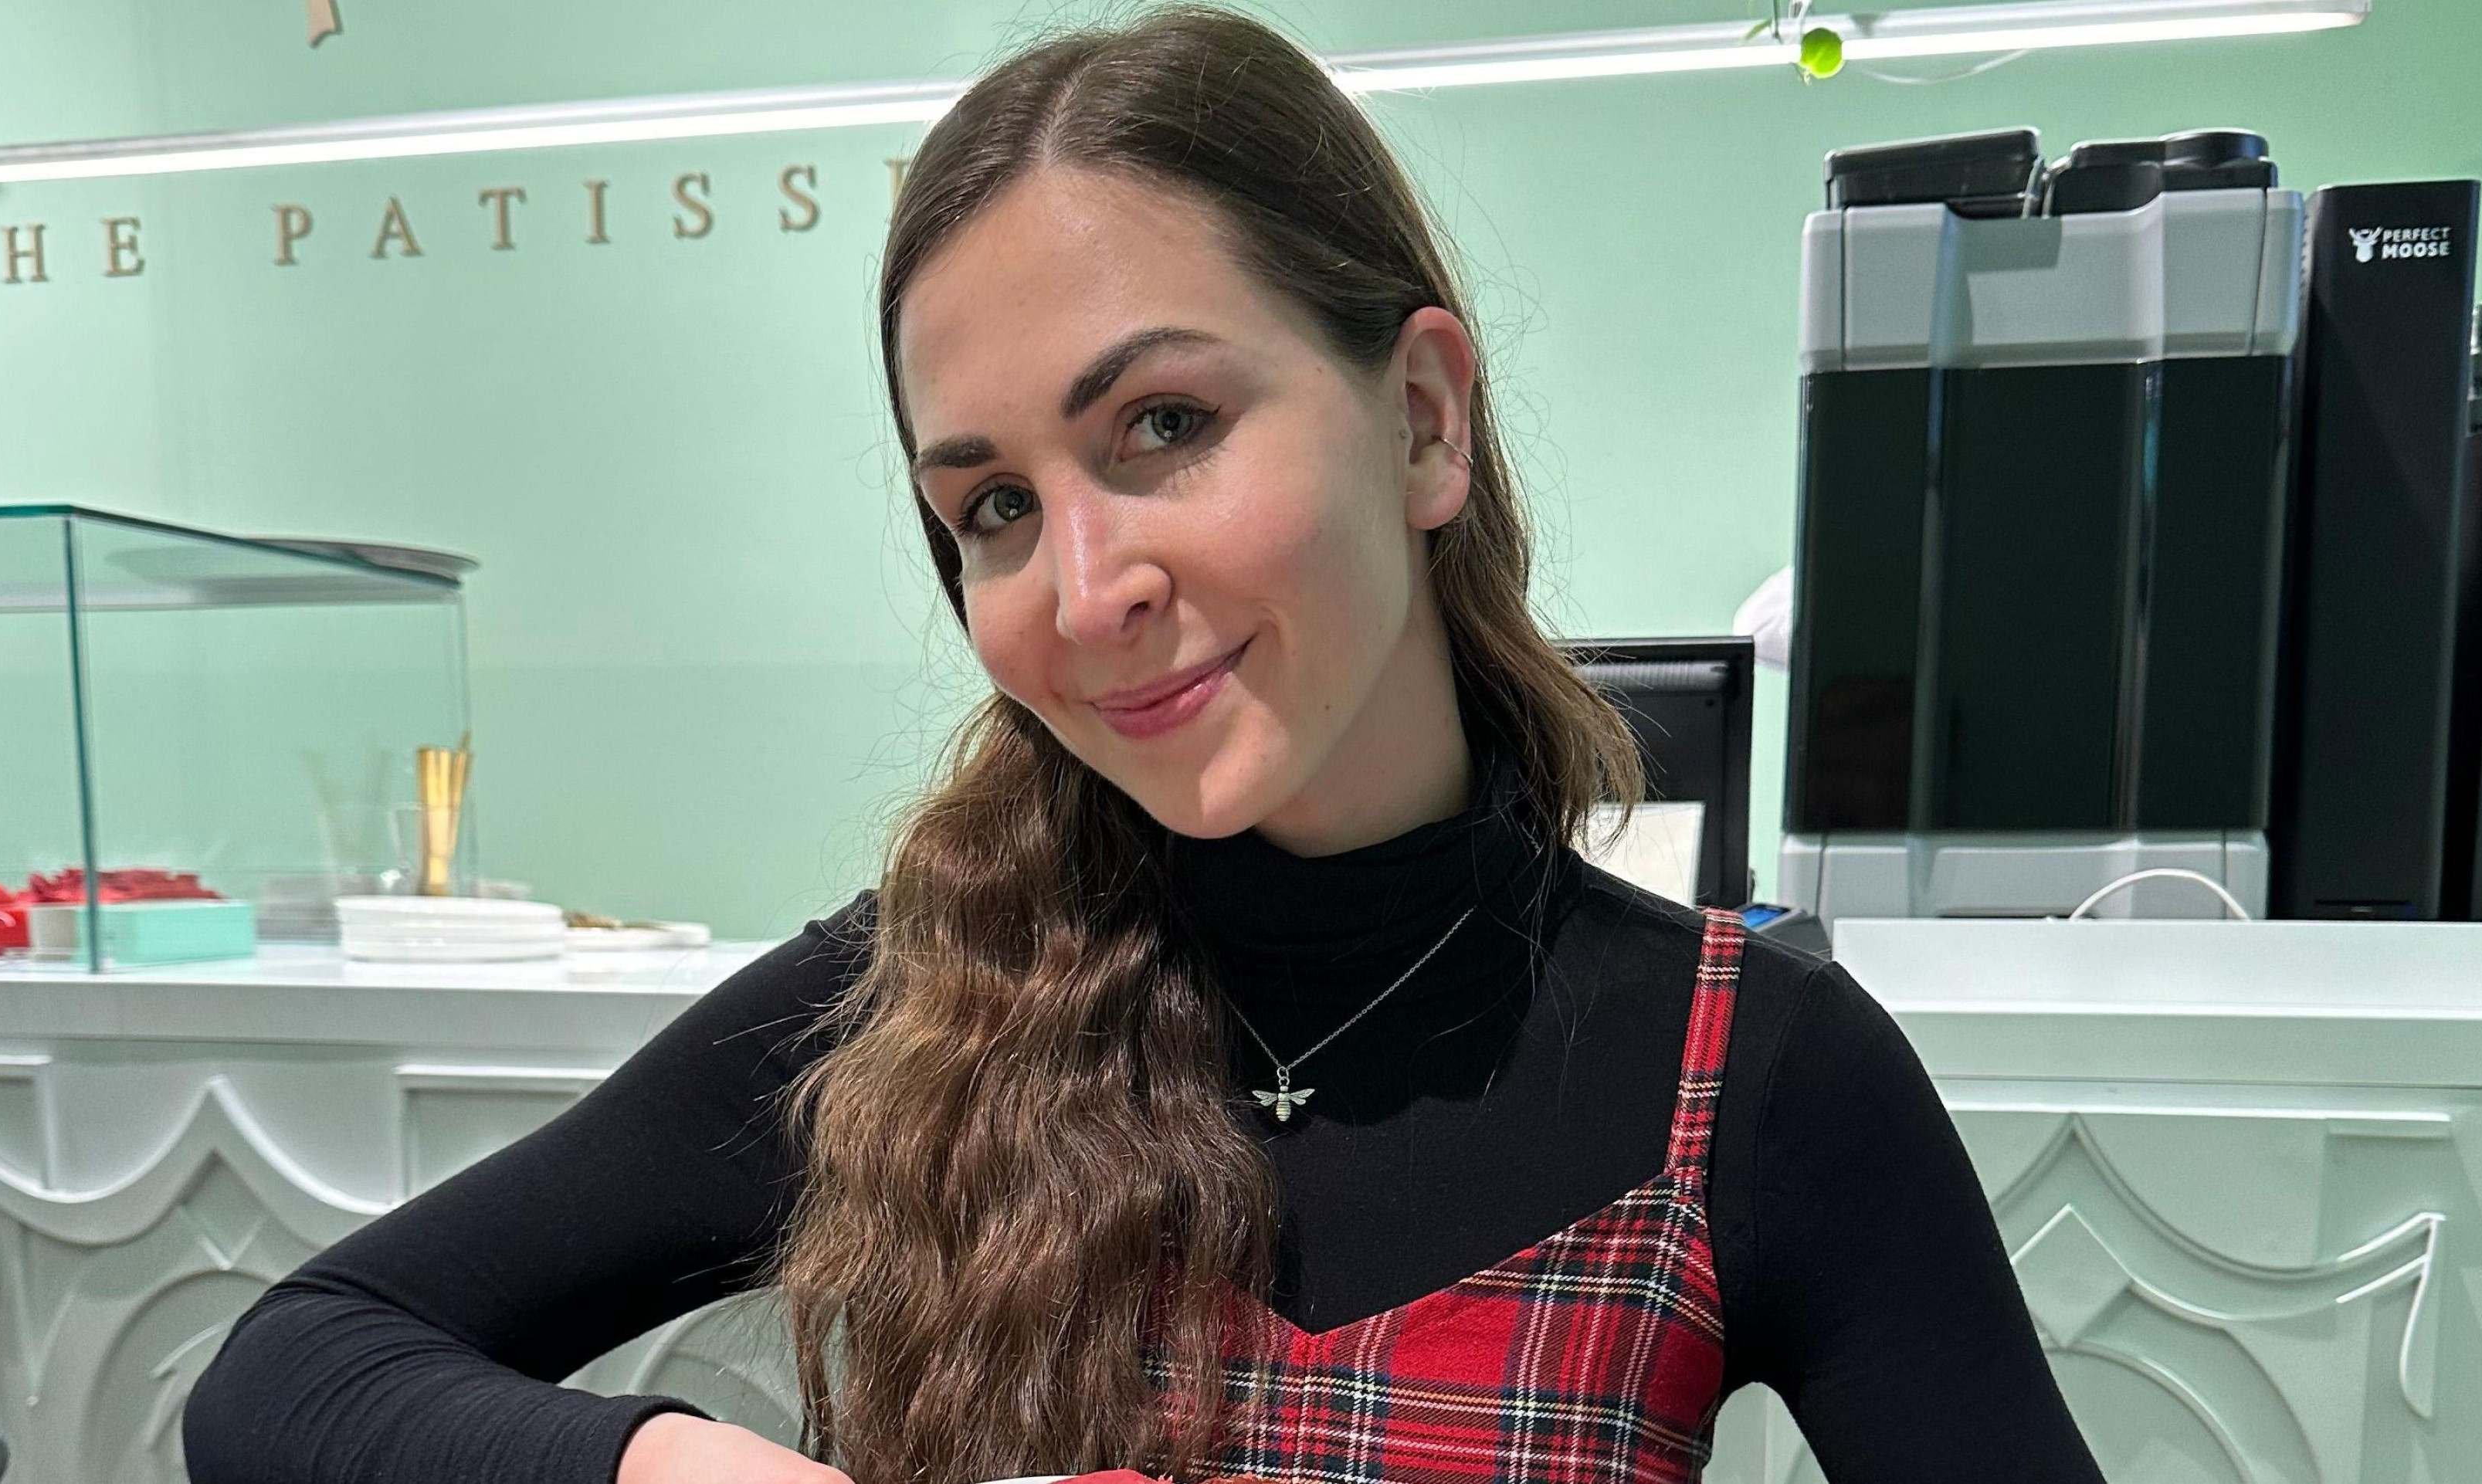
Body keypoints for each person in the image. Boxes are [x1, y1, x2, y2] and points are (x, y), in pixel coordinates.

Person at [179, 6, 2107, 1483]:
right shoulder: (918, 1003)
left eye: (1163, 426)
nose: (1084, 586)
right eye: (994, 508)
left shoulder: (1751, 1073)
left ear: (1422, 419)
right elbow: (293, 1368)